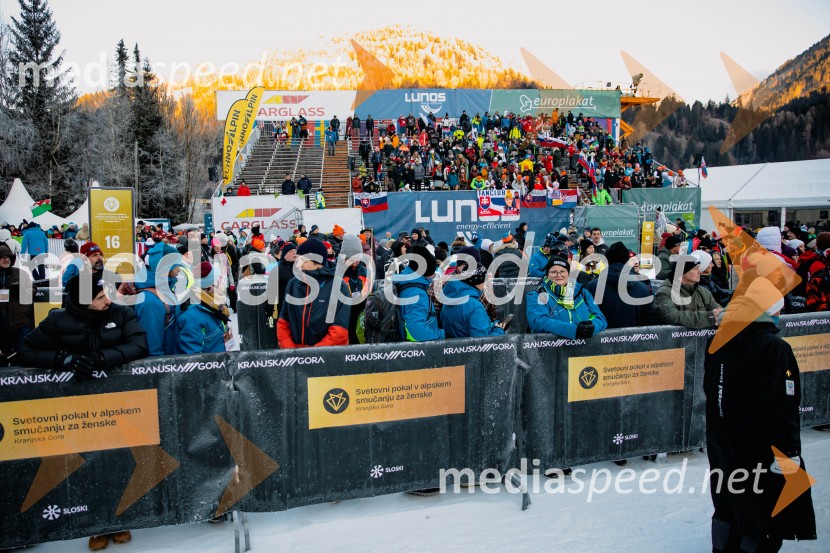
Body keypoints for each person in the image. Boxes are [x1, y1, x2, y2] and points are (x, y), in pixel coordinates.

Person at [20, 271, 148, 551]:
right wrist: (63, 359)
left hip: (117, 401)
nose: (106, 301)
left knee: (119, 459)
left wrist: (104, 358)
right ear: (82, 301)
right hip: (76, 406)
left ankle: (119, 520)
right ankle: (95, 524)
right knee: (86, 465)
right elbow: (27, 350)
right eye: (99, 298)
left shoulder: (120, 313)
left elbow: (139, 344)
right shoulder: (58, 320)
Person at [704, 277, 816, 552]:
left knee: (728, 506)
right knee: (760, 515)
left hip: (723, 443)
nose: (780, 315)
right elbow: (781, 405)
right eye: (778, 310)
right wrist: (789, 453)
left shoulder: (720, 339)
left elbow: (712, 390)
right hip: (759, 448)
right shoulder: (773, 347)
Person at [277, 238, 350, 348]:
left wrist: (313, 354)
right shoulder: (293, 283)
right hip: (295, 356)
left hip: (326, 356)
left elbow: (339, 330)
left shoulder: (339, 286)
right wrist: (290, 350)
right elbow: (283, 320)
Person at [526, 255, 608, 339]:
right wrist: (573, 330)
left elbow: (600, 319)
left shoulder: (583, 293)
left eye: (562, 271)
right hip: (553, 350)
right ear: (547, 275)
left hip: (586, 349)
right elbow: (538, 322)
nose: (559, 275)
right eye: (553, 272)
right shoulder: (537, 295)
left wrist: (591, 327)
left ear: (568, 274)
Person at [440, 247, 506, 338]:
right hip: (472, 348)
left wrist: (490, 324)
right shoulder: (475, 306)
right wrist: (499, 329)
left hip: (451, 347)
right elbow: (482, 343)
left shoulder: (448, 295)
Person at [586, 242, 654, 328]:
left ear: (608, 260)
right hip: (634, 339)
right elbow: (649, 324)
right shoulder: (644, 289)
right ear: (626, 260)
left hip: (603, 339)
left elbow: (587, 318)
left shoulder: (592, 286)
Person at [133, 242, 183, 356]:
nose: (179, 269)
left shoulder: (164, 289)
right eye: (177, 265)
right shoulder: (149, 301)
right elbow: (152, 348)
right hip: (162, 366)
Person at [176, 262, 231, 354]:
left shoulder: (214, 304)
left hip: (221, 361)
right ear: (208, 287)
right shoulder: (191, 317)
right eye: (218, 281)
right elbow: (194, 358)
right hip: (212, 365)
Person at [392, 245, 444, 342]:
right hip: (416, 352)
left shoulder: (403, 281)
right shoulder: (417, 295)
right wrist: (443, 334)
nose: (434, 276)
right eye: (433, 271)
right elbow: (416, 333)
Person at [654, 257, 723, 329]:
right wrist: (710, 316)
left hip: (704, 339)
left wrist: (721, 314)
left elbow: (718, 312)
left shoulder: (704, 292)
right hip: (676, 339)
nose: (700, 271)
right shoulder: (664, 293)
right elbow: (672, 316)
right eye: (695, 268)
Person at [0, 242, 34, 364]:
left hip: (20, 322)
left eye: (8, 257)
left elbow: (33, 290)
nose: (6, 260)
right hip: (2, 325)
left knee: (23, 354)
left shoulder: (20, 273)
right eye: (2, 257)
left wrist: (21, 288)